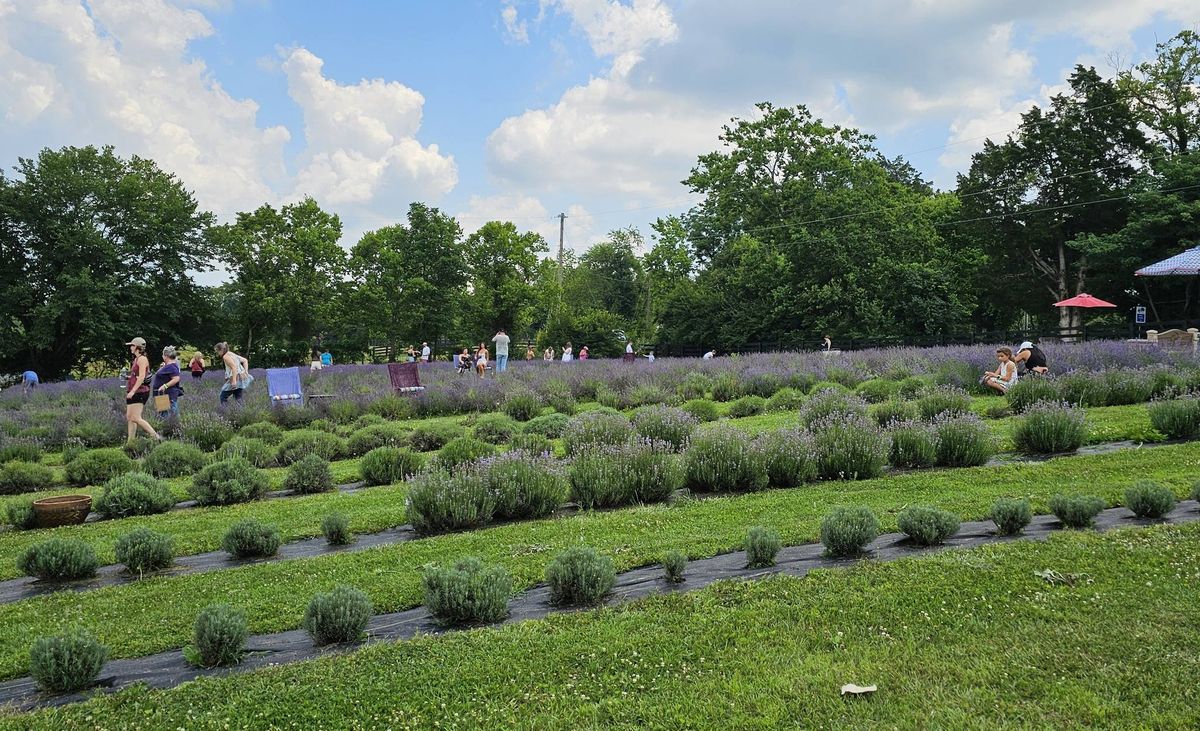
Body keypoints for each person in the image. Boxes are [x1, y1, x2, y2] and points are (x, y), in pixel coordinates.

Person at [123, 337, 159, 441]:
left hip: (140, 392)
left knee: (135, 417)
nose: (130, 347)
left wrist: (133, 391)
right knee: (130, 417)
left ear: (137, 347)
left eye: (132, 345)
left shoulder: (142, 359)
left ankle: (156, 437)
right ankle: (130, 442)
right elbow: (136, 375)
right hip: (132, 390)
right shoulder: (136, 359)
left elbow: (142, 376)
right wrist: (128, 377)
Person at [152, 346, 183, 418]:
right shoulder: (167, 366)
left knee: (171, 414)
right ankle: (167, 427)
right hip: (162, 395)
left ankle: (174, 427)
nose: (162, 356)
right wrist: (162, 367)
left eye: (163, 355)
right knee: (163, 415)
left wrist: (164, 386)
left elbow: (176, 379)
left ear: (166, 356)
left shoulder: (172, 366)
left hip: (168, 395)